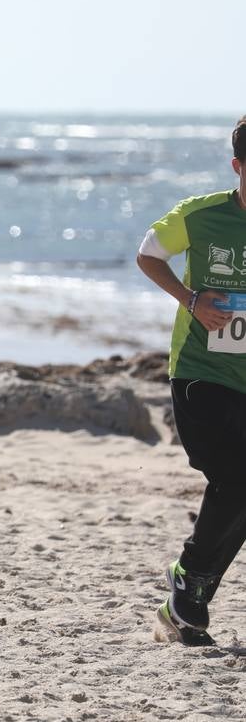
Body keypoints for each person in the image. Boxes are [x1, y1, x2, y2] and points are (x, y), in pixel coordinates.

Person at [139, 115, 246, 645]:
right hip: (201, 370)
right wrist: (191, 299)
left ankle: (189, 592)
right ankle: (189, 584)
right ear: (237, 167)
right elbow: (148, 254)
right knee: (236, 477)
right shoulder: (200, 216)